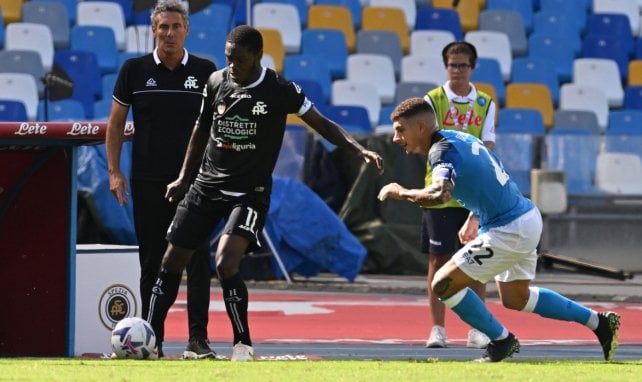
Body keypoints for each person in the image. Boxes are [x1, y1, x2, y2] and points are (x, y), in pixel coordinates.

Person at [146, 25, 384, 361]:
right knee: (171, 260)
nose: (232, 66)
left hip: (249, 192)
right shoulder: (216, 82)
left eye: (240, 60)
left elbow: (323, 123)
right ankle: (150, 341)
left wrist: (359, 149)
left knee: (226, 262)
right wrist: (184, 178)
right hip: (206, 185)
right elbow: (201, 131)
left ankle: (242, 343)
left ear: (258, 56)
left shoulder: (279, 89)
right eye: (229, 58)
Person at [377, 97, 620, 362]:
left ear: (421, 127)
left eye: (401, 130)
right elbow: (488, 173)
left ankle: (502, 341)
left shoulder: (441, 151)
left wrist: (401, 192)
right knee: (517, 298)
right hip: (524, 216)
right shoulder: (459, 137)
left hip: (509, 228)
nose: (395, 138)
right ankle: (600, 323)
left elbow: (441, 194)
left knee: (443, 284)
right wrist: (475, 216)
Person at [105, 0, 217, 359]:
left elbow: (217, 127)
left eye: (175, 27)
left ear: (187, 30)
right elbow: (116, 123)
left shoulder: (207, 71)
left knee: (198, 260)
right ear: (153, 30)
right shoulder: (133, 70)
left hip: (196, 184)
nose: (169, 33)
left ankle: (198, 341)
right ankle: (153, 341)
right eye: (162, 27)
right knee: (152, 261)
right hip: (148, 180)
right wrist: (114, 171)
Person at [421, 41, 496, 349]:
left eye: (463, 65)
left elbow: (488, 145)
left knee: (478, 262)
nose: (457, 71)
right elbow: (424, 139)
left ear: (472, 67)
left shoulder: (485, 102)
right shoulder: (433, 99)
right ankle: (437, 328)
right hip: (440, 192)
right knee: (438, 259)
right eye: (452, 65)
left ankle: (477, 329)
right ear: (445, 66)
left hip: (474, 194)